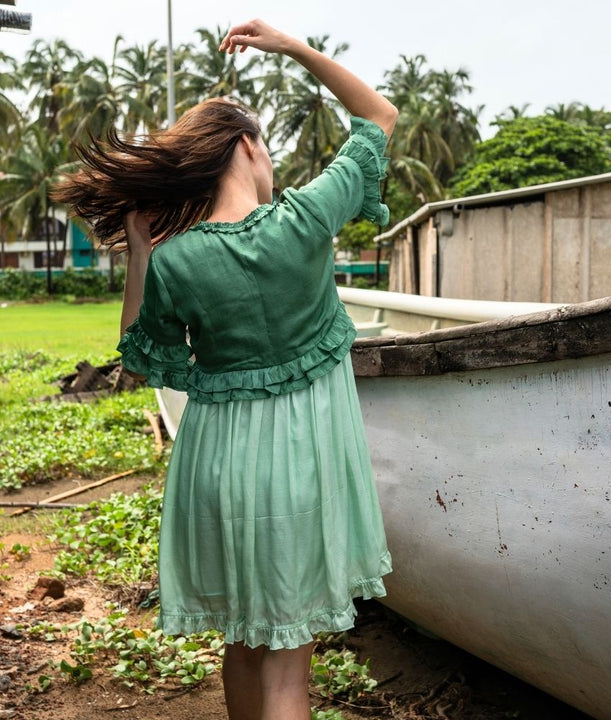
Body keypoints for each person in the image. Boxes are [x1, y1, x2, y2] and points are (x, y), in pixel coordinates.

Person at [53, 19, 398, 720]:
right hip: (299, 463)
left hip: (215, 465)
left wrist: (144, 247)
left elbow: (142, 350)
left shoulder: (178, 259)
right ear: (247, 146)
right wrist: (294, 48)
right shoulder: (305, 219)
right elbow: (377, 116)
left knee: (243, 648)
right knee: (288, 677)